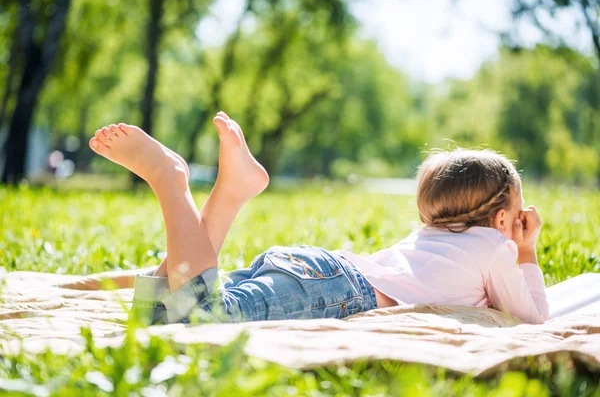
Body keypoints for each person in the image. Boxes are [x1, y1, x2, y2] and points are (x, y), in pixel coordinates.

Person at [84, 112, 549, 325]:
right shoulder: (496, 247)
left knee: (161, 316)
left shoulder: (429, 236)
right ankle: (170, 180)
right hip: (338, 290)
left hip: (318, 270)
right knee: (200, 314)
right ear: (505, 216)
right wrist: (523, 249)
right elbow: (532, 316)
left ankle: (230, 194)